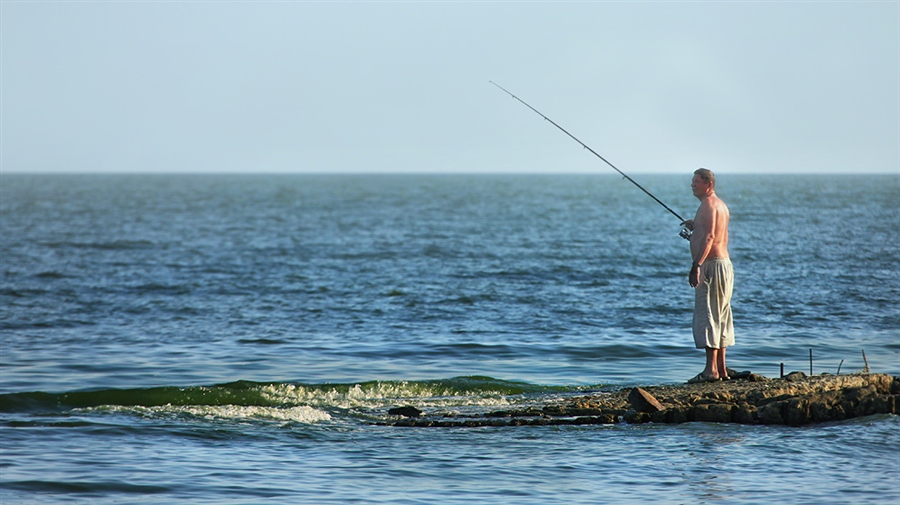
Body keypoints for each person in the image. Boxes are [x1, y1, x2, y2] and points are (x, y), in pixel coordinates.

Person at [680, 168, 734, 383]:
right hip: (724, 265)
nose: (692, 185)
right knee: (721, 315)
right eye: (692, 181)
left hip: (711, 266)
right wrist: (697, 227)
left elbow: (710, 237)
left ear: (708, 184)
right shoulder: (720, 205)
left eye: (697, 182)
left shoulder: (708, 205)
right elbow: (712, 231)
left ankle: (710, 371)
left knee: (709, 314)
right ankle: (721, 369)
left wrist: (696, 265)